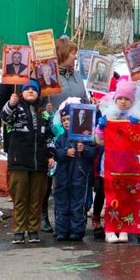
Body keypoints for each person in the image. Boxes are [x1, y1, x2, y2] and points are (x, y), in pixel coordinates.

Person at [0, 80, 55, 244]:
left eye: (34, 89)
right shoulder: (15, 108)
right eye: (27, 89)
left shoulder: (43, 113)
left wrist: (50, 155)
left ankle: (33, 229)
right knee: (20, 196)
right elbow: (4, 117)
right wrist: (11, 103)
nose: (30, 91)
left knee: (36, 197)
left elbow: (50, 137)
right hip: (19, 160)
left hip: (39, 162)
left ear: (39, 93)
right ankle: (19, 229)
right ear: (21, 92)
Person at [95, 79, 140, 243]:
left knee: (126, 197)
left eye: (126, 99)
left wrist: (137, 127)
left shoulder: (136, 118)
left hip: (128, 164)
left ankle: (123, 228)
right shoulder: (109, 116)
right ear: (115, 99)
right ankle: (110, 229)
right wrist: (101, 128)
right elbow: (99, 140)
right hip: (111, 163)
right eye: (120, 98)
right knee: (110, 196)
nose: (123, 102)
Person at [45, 36, 89, 233]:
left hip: (78, 130)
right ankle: (52, 219)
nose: (75, 57)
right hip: (57, 130)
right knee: (58, 180)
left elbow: (84, 98)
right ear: (63, 54)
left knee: (77, 178)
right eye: (72, 53)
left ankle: (76, 221)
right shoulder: (51, 75)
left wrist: (91, 106)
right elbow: (44, 99)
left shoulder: (77, 75)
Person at [54, 103, 96, 241]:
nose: (66, 122)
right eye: (64, 120)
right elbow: (56, 153)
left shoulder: (85, 138)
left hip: (80, 176)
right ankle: (61, 230)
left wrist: (84, 149)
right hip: (63, 177)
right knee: (62, 203)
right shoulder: (60, 138)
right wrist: (65, 152)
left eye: (69, 119)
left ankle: (77, 230)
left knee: (78, 204)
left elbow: (92, 154)